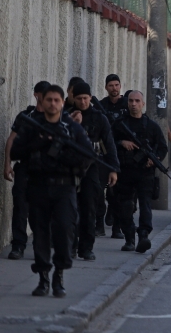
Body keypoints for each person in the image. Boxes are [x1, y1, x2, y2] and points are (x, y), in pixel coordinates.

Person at [10, 85, 93, 297]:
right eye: (49, 100)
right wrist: (38, 143)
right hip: (38, 186)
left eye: (57, 100)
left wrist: (61, 152)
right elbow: (16, 151)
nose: (53, 103)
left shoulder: (72, 128)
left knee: (65, 229)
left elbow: (87, 155)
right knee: (40, 234)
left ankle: (60, 274)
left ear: (63, 102)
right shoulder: (32, 126)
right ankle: (43, 277)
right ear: (42, 101)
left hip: (65, 187)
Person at [69, 82, 120, 260]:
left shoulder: (100, 118)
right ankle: (71, 247)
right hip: (69, 169)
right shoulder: (66, 116)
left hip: (91, 168)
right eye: (79, 98)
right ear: (73, 99)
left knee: (89, 209)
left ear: (90, 97)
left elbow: (109, 144)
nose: (82, 102)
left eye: (85, 98)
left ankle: (86, 248)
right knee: (69, 210)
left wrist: (113, 169)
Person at [112, 90, 167, 253]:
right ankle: (129, 238)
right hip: (125, 172)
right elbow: (108, 144)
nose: (134, 104)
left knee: (145, 205)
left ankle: (143, 235)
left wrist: (154, 159)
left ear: (143, 104)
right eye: (131, 101)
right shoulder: (120, 124)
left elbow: (163, 148)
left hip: (145, 173)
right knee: (126, 206)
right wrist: (122, 142)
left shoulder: (152, 126)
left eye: (137, 101)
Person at [3, 81, 51, 260]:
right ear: (36, 95)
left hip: (45, 170)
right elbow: (11, 140)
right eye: (42, 94)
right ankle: (18, 245)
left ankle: (40, 245)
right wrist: (7, 164)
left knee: (41, 210)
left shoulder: (54, 117)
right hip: (25, 167)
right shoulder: (26, 115)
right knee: (20, 206)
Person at [98, 74, 128, 239]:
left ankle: (117, 228)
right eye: (111, 85)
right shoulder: (102, 106)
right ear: (106, 87)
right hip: (107, 153)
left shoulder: (127, 104)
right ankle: (99, 224)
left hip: (124, 155)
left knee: (118, 194)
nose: (114, 88)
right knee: (101, 191)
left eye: (117, 85)